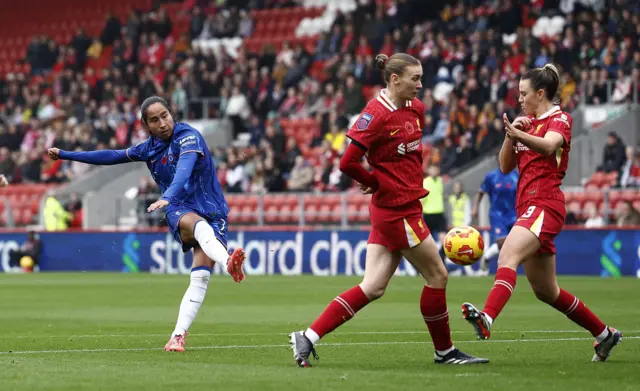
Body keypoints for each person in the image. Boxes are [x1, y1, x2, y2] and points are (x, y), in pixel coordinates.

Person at [289, 53, 488, 367]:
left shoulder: (415, 109)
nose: (420, 85)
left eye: (421, 78)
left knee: (373, 287)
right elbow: (346, 161)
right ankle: (445, 352)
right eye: (415, 79)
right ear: (395, 79)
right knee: (437, 275)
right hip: (397, 211)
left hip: (401, 207)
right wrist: (372, 181)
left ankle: (308, 336)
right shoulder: (375, 114)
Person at [47, 96, 247, 352]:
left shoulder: (189, 137)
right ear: (146, 125)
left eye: (165, 115)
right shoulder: (148, 148)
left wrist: (167, 195)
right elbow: (111, 156)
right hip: (179, 208)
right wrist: (65, 154)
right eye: (155, 120)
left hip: (211, 209)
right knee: (198, 227)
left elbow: (184, 169)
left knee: (199, 279)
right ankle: (228, 262)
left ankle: (177, 337)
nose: (163, 123)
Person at [461, 64, 622, 362]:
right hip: (528, 206)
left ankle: (487, 317)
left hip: (545, 203)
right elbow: (505, 166)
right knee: (547, 291)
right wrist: (512, 135)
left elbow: (549, 147)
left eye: (524, 94)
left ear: (540, 93)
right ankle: (605, 335)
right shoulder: (528, 124)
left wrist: (520, 135)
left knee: (507, 255)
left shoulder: (560, 119)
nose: (520, 99)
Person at [471, 156, 519, 275]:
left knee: (517, 242)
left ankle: (503, 266)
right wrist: (475, 207)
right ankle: (487, 257)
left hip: (514, 213)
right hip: (497, 214)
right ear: (498, 161)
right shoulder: (491, 176)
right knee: (501, 242)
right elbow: (481, 191)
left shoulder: (516, 175)